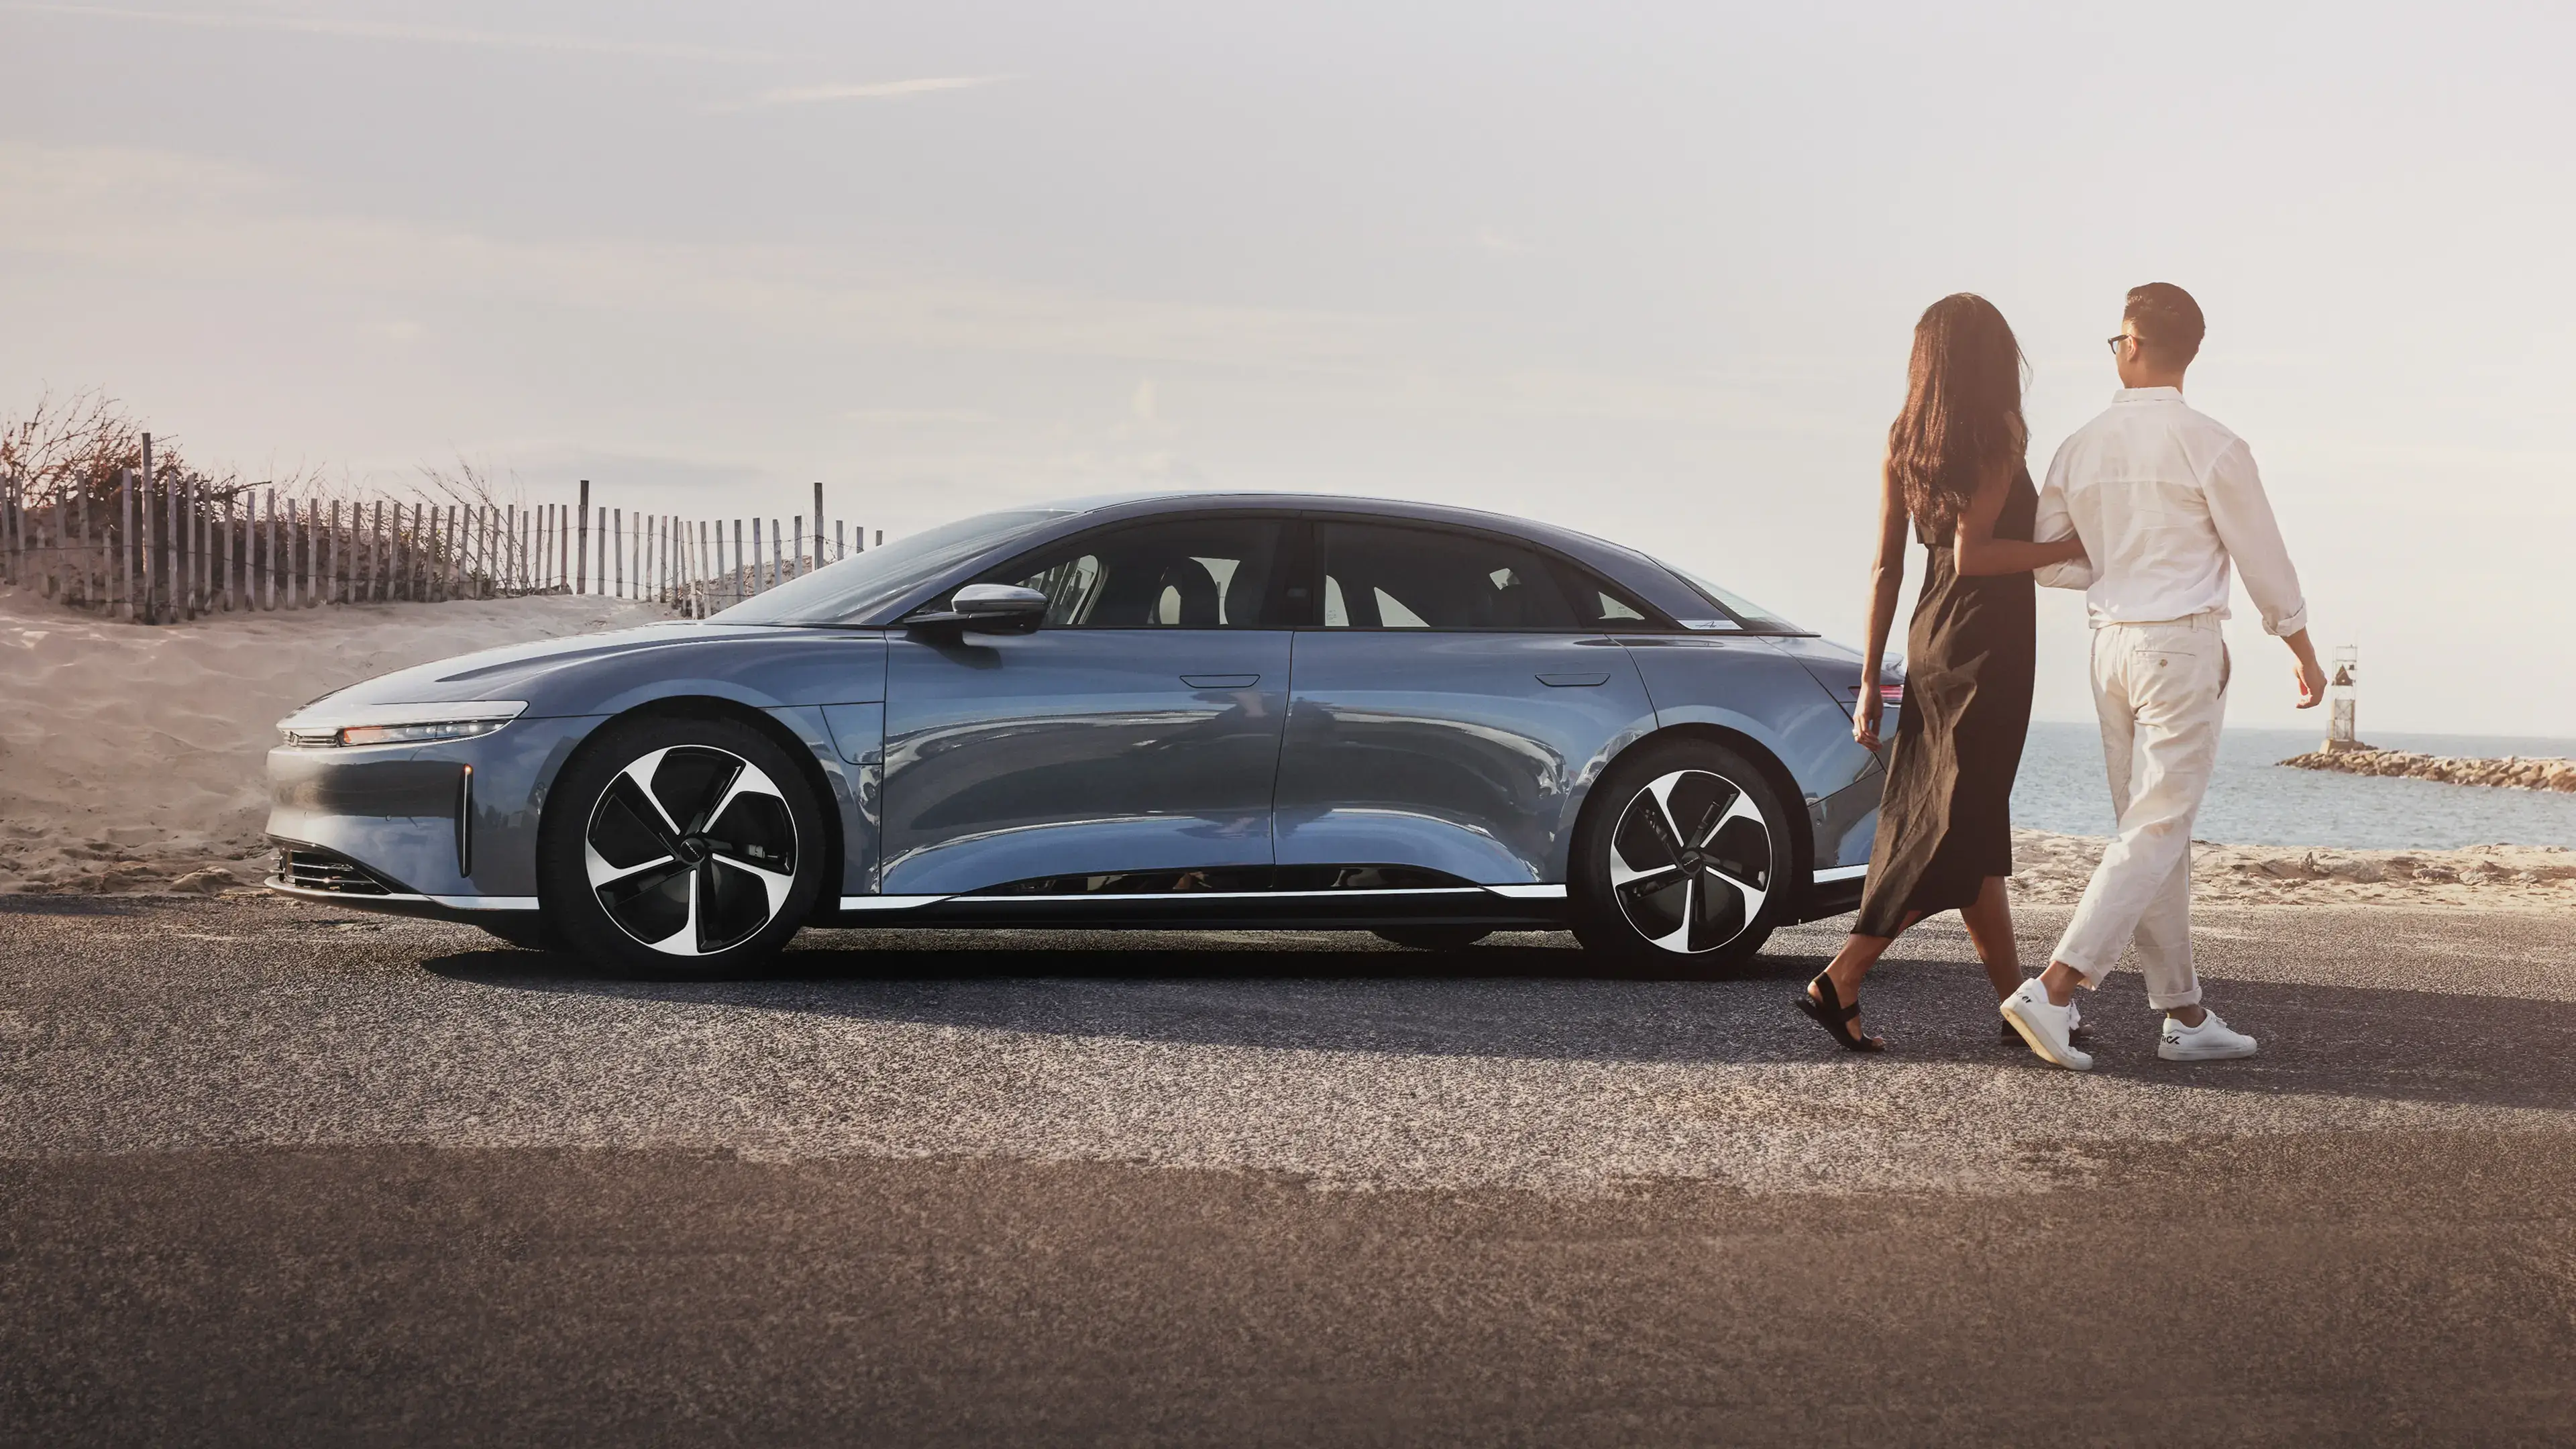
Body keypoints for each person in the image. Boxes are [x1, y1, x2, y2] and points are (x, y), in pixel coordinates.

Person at [1998, 282, 2326, 1071]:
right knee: (2155, 830)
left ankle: (2182, 1014)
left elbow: (2054, 561)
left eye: (2117, 340)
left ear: (2134, 344)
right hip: (2178, 649)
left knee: (2150, 834)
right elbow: (2262, 557)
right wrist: (2301, 645)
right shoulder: (2213, 443)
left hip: (2110, 647)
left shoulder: (2079, 445)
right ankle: (2056, 986)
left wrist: (2118, 559)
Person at [1796, 294, 2087, 1052]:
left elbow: (1887, 566)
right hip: (1986, 647)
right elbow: (1977, 555)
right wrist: (2066, 549)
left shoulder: (1907, 438)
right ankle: (1843, 975)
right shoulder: (1997, 432)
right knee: (1951, 828)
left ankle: (2022, 1008)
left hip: (1930, 639)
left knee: (1974, 829)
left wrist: (1869, 679)